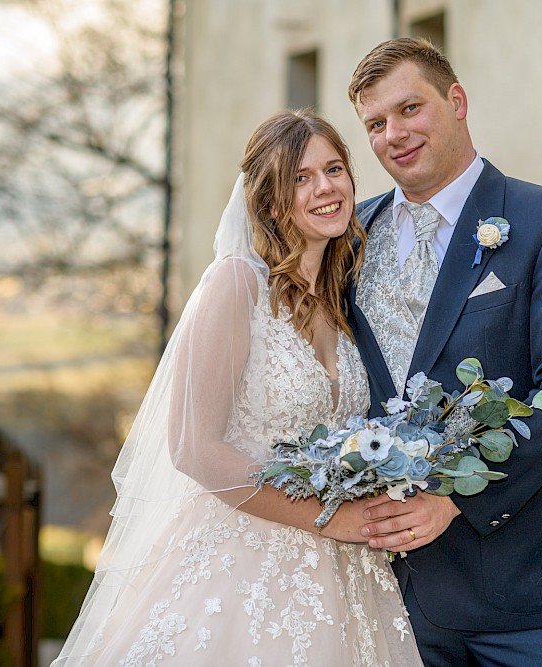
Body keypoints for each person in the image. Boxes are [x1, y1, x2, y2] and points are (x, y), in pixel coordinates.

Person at [52, 109, 423, 666]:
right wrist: (329, 517)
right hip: (240, 560)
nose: (325, 187)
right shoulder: (236, 284)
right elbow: (193, 448)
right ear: (269, 200)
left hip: (348, 573)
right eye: (301, 177)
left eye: (334, 169)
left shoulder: (342, 298)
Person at [345, 38, 542, 666]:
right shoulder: (346, 236)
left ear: (457, 101)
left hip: (530, 601)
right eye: (376, 124)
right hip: (391, 601)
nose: (394, 134)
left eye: (410, 108)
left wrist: (456, 495)